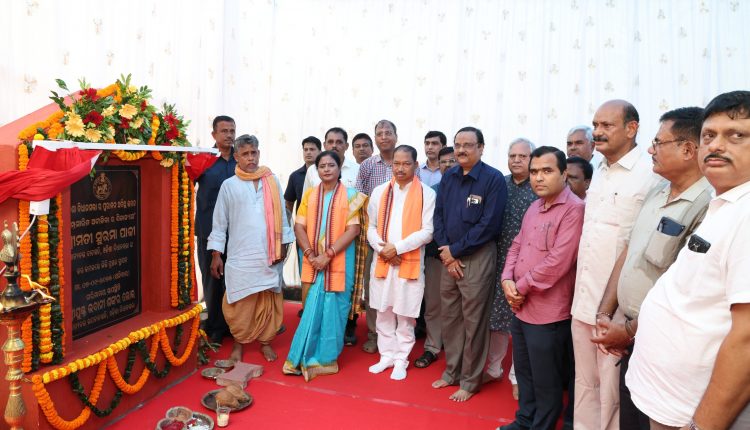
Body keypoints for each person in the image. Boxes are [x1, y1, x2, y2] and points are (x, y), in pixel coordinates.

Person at [627, 91, 750, 430]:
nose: (716, 145)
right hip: (671, 400)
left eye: (736, 135)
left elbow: (746, 339)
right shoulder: (726, 204)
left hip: (696, 415)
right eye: (709, 136)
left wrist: (701, 425)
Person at [590, 107, 712, 430]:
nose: (649, 150)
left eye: (658, 143)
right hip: (633, 338)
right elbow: (628, 252)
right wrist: (605, 313)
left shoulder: (707, 205)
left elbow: (684, 290)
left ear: (688, 150)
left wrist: (628, 331)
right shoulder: (657, 192)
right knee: (631, 418)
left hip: (667, 345)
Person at [570, 100, 661, 430]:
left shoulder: (650, 174)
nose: (597, 132)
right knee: (584, 383)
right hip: (583, 298)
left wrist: (611, 311)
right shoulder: (599, 170)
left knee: (611, 390)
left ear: (632, 128)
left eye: (606, 125)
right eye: (595, 125)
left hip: (617, 308)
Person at [499, 146, 585, 430]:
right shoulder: (535, 207)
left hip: (549, 312)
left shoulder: (574, 210)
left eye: (547, 171)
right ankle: (524, 421)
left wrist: (520, 287)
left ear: (564, 174)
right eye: (534, 171)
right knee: (524, 373)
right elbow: (517, 244)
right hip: (521, 307)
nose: (538, 178)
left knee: (547, 380)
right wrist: (507, 279)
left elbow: (558, 261)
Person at [432, 126, 507, 402]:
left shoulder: (493, 179)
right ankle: (451, 372)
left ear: (481, 148)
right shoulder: (449, 176)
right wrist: (446, 252)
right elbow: (438, 216)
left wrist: (455, 251)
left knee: (474, 322)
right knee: (450, 318)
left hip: (477, 256)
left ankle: (470, 380)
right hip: (448, 257)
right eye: (458, 145)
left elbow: (489, 224)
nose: (461, 150)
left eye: (468, 145)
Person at [208, 134, 294, 363]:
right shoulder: (229, 185)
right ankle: (239, 343)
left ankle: (266, 342)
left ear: (259, 153)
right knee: (240, 304)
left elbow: (283, 218)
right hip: (240, 255)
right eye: (245, 154)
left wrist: (283, 247)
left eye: (253, 153)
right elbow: (219, 223)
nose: (250, 158)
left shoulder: (271, 181)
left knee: (269, 301)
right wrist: (216, 255)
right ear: (236, 157)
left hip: (269, 254)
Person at [283, 151, 368, 381]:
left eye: (331, 165)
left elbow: (353, 230)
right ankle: (302, 356)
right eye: (322, 166)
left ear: (340, 169)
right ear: (317, 170)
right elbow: (299, 226)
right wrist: (310, 254)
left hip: (340, 261)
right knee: (311, 307)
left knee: (335, 308)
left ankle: (326, 358)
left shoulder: (351, 196)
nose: (327, 169)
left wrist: (327, 255)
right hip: (312, 260)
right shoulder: (310, 195)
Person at [366, 145, 436, 380]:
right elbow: (371, 227)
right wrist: (383, 249)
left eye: (406, 163)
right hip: (383, 261)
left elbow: (428, 231)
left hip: (409, 262)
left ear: (416, 165)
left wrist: (397, 248)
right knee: (383, 311)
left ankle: (401, 359)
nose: (400, 168)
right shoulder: (379, 192)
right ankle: (386, 356)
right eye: (396, 163)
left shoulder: (427, 193)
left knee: (405, 315)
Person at [486, 138, 537, 397]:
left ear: (532, 159)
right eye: (512, 155)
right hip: (497, 261)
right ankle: (493, 368)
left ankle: (517, 376)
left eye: (522, 156)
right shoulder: (500, 184)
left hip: (528, 265)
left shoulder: (539, 187)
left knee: (521, 320)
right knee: (496, 318)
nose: (516, 160)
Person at [354, 119, 400, 354]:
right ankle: (374, 334)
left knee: (399, 288)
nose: (384, 137)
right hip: (373, 238)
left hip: (401, 239)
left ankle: (398, 336)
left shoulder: (405, 161)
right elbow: (359, 202)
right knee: (373, 287)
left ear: (396, 136)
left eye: (388, 132)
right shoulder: (367, 166)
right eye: (379, 133)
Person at [195, 115, 236, 345]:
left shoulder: (242, 159)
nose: (229, 135)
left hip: (237, 233)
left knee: (234, 279)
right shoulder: (204, 159)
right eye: (224, 131)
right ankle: (215, 327)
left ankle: (235, 324)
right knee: (212, 280)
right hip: (208, 231)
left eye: (232, 131)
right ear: (214, 134)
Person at [414, 146, 456, 369]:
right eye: (444, 162)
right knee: (433, 305)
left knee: (459, 307)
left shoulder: (473, 188)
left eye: (452, 161)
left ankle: (456, 350)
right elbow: (429, 225)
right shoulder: (432, 192)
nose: (448, 165)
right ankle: (431, 347)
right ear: (438, 165)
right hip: (435, 255)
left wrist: (456, 251)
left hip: (464, 256)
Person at [303, 127, 359, 193]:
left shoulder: (357, 169)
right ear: (324, 145)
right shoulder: (312, 170)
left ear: (346, 146)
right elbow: (306, 197)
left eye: (339, 142)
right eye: (330, 142)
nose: (334, 145)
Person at [285, 136, 321, 215]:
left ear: (320, 152)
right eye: (305, 149)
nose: (308, 152)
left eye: (312, 149)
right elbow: (289, 202)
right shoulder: (295, 176)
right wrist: (288, 221)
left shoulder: (326, 173)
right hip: (302, 220)